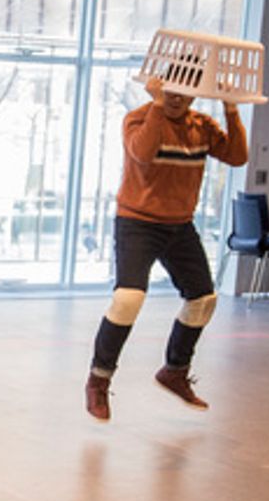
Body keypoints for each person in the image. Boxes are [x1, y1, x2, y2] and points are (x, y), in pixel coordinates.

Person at [85, 74, 247, 421]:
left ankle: (174, 371)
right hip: (137, 222)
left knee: (203, 300)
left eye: (186, 92)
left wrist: (231, 109)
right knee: (128, 298)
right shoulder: (139, 118)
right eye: (170, 91)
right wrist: (158, 105)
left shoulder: (202, 126)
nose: (177, 98)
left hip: (179, 225)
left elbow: (237, 157)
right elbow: (143, 154)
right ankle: (98, 380)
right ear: (160, 88)